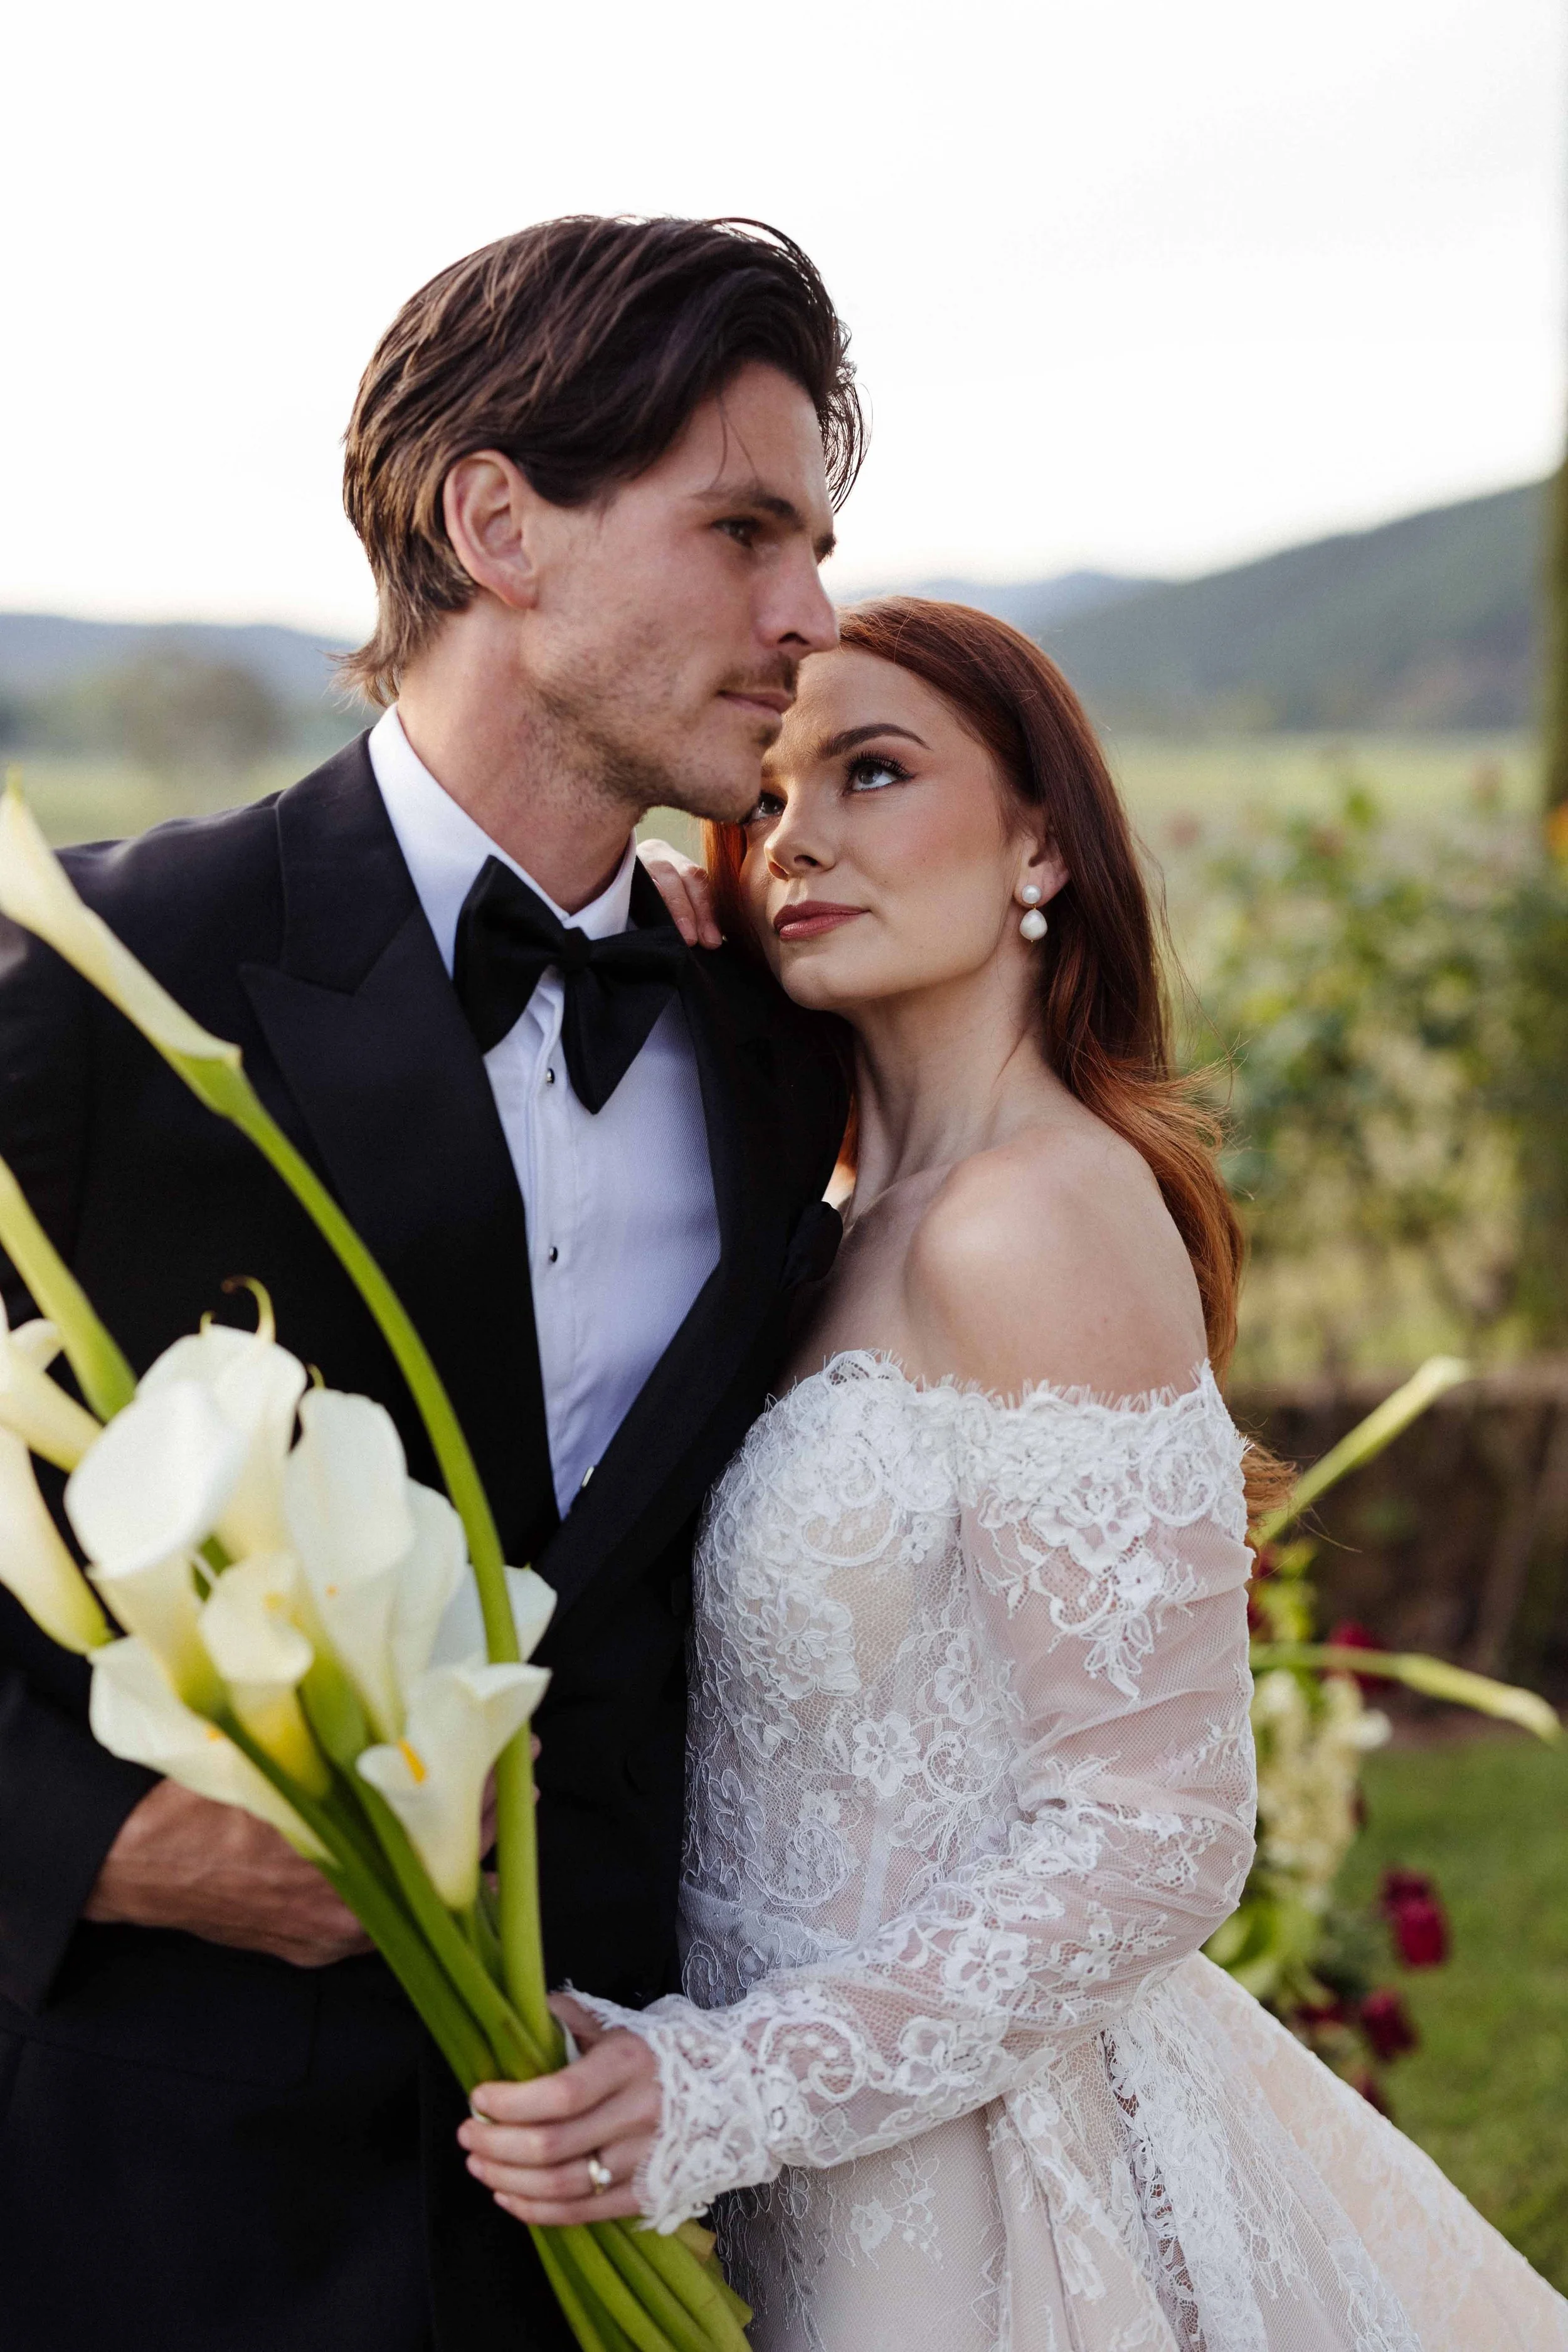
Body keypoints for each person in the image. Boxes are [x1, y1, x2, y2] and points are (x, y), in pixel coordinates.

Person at [462, 598, 1568, 2351]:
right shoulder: (817, 1235)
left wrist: (735, 2085)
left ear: (1040, 837)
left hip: (978, 2210)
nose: (797, 833)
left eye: (872, 771)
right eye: (761, 794)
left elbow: (1161, 1834)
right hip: (779, 2181)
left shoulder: (1040, 1212)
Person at [0, 216, 854, 2351]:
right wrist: (114, 1843)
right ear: (497, 522)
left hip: (629, 2202)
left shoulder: (772, 1044)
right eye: (742, 527)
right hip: (165, 2220)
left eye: (817, 544)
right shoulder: (101, 979)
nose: (807, 616)